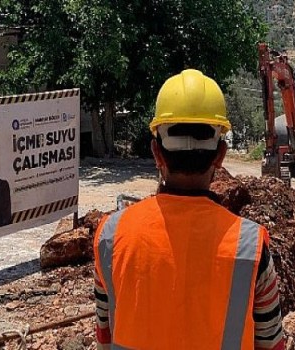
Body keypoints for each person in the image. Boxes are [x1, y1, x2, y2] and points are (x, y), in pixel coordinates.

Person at [93, 69, 284, 349]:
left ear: (157, 153)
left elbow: (104, 338)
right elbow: (271, 345)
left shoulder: (110, 237)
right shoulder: (251, 248)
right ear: (220, 155)